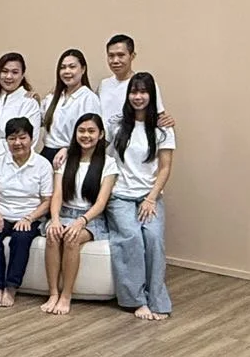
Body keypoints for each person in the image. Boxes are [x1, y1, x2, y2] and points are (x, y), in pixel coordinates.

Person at [106, 72, 175, 321]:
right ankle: (135, 300)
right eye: (134, 92)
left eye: (143, 92)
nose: (138, 97)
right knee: (131, 237)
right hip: (120, 196)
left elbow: (165, 168)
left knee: (154, 238)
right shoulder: (117, 126)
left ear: (152, 96)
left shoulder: (163, 129)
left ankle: (157, 299)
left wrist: (151, 198)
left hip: (149, 196)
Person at [41, 113, 117, 317]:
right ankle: (53, 293)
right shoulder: (65, 159)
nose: (86, 135)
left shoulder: (108, 163)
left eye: (91, 131)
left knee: (72, 238)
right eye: (81, 131)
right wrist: (55, 220)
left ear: (101, 134)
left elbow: (101, 203)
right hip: (63, 213)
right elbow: (57, 195)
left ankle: (66, 296)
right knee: (53, 235)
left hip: (91, 218)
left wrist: (81, 221)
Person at [0, 117, 53, 307]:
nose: (17, 143)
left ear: (31, 139)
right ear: (6, 141)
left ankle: (11, 288)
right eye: (12, 138)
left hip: (30, 217)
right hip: (2, 215)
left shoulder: (42, 165)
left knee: (21, 237)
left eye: (22, 137)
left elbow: (47, 201)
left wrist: (29, 217)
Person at [98, 35, 177, 138]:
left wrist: (167, 121)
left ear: (132, 56)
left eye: (121, 55)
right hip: (105, 145)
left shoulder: (145, 85)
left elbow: (160, 117)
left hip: (132, 143)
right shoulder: (103, 85)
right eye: (111, 56)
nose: (115, 60)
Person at [39, 49, 103, 166]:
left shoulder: (88, 98)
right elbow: (40, 120)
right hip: (47, 154)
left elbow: (91, 134)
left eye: (72, 67)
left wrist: (68, 149)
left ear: (83, 69)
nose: (67, 71)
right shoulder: (53, 96)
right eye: (63, 67)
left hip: (72, 155)